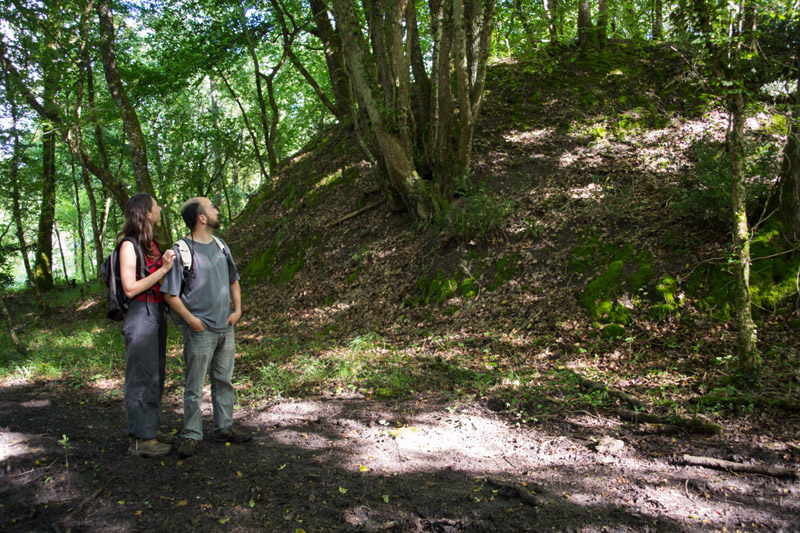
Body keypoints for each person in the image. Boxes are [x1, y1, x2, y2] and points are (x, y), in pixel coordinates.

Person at [161, 197, 251, 458]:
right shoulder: (180, 251)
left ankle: (224, 428)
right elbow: (170, 294)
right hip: (200, 331)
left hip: (226, 327)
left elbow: (233, 280)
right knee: (194, 385)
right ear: (201, 217)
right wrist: (191, 320)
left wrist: (237, 310)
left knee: (224, 381)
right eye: (212, 207)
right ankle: (191, 434)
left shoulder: (221, 246)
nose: (217, 210)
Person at [118, 193, 176, 458]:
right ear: (147, 213)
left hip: (156, 313)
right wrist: (163, 270)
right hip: (141, 314)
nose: (160, 207)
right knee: (141, 376)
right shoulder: (128, 245)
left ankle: (149, 429)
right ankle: (141, 440)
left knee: (155, 375)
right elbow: (130, 288)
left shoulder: (150, 244)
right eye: (156, 205)